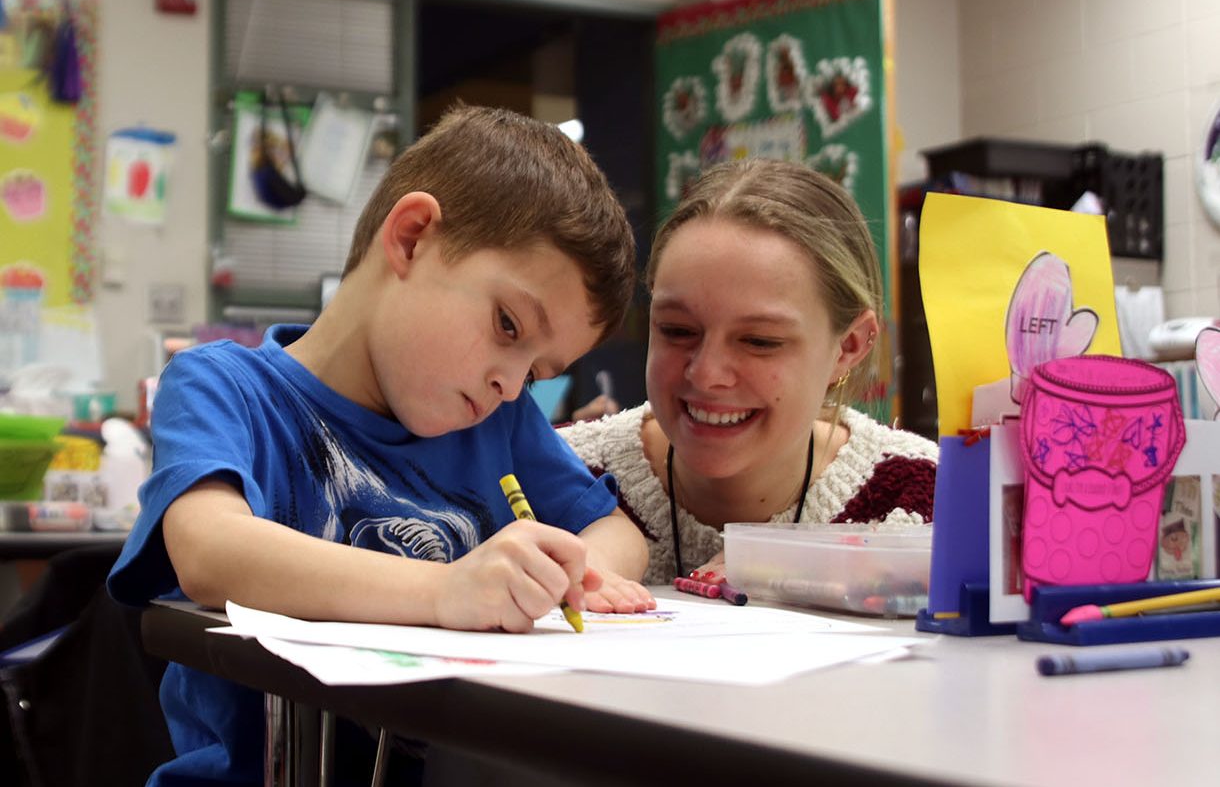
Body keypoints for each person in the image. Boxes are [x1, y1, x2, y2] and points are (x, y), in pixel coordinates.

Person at [107, 105, 654, 786]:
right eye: (509, 325)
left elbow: (615, 529)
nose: (511, 385)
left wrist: (581, 572)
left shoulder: (498, 422)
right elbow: (210, 552)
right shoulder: (224, 386)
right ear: (413, 237)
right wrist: (447, 589)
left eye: (538, 372)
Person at [560, 159, 937, 585]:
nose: (706, 375)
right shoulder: (549, 472)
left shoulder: (928, 502)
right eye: (678, 330)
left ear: (848, 346)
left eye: (760, 341)